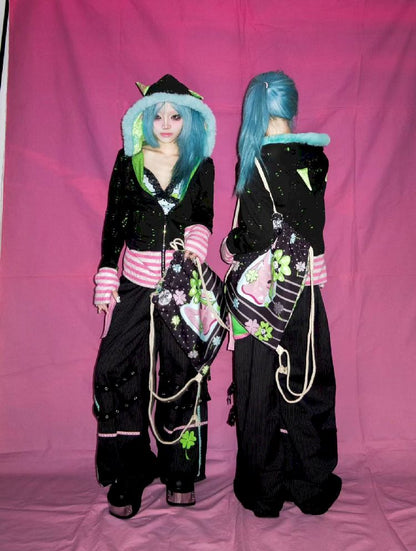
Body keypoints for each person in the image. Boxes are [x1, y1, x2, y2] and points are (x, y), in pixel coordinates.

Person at [93, 74, 216, 518]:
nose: (165, 124)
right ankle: (131, 470)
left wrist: (198, 237)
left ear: (190, 120)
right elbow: (114, 221)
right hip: (134, 285)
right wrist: (108, 272)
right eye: (158, 115)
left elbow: (204, 213)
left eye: (175, 116)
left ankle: (179, 470)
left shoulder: (201, 164)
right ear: (145, 118)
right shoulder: (128, 162)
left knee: (182, 371)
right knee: (118, 368)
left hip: (182, 287)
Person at [221, 70, 341, 517]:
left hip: (264, 298)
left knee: (259, 393)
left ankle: (265, 492)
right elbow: (307, 224)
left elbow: (253, 237)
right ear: (292, 107)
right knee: (307, 385)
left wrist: (228, 246)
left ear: (254, 108)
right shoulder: (316, 158)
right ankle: (312, 486)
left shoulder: (255, 160)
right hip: (305, 291)